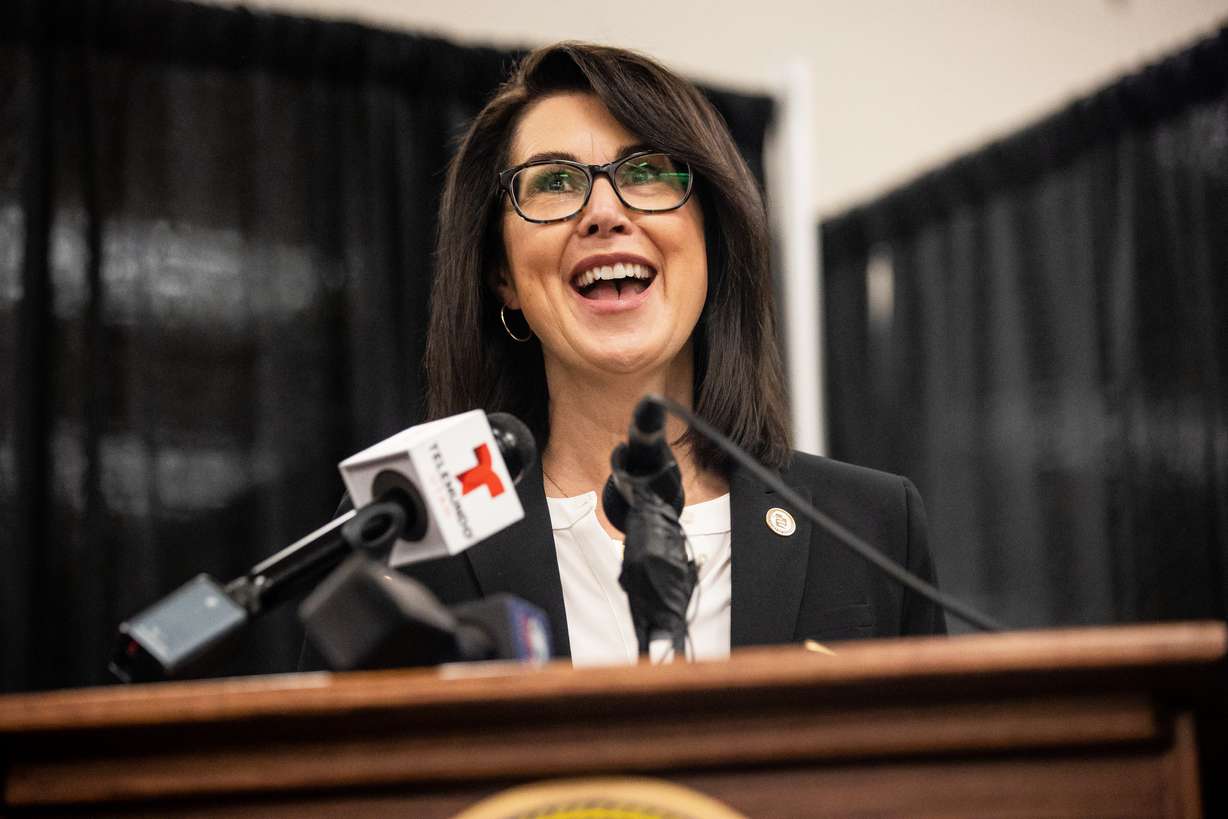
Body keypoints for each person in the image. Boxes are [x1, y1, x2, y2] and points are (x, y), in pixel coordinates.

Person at [407, 42, 945, 666]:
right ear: (502, 274)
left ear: (712, 241)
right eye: (554, 182)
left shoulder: (869, 527)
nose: (603, 214)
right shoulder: (414, 533)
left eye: (646, 171)